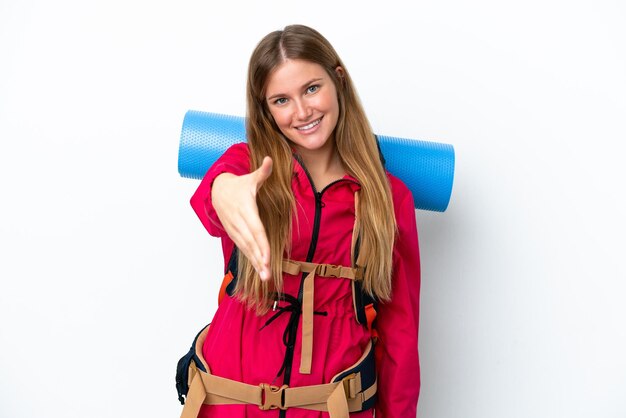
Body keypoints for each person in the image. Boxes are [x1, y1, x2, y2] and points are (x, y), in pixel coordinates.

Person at [187, 24, 420, 417]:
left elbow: (399, 336)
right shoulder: (247, 167)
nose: (302, 112)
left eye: (312, 89)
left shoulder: (390, 199)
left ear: (338, 80)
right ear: (266, 110)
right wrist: (223, 190)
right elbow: (216, 194)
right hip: (229, 404)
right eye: (281, 100)